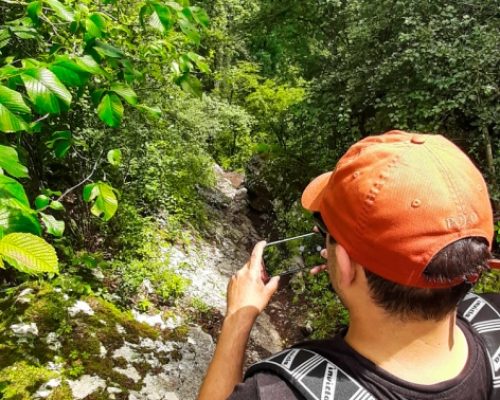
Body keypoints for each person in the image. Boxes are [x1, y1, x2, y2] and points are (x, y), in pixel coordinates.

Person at [198, 130, 500, 400]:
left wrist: (238, 318)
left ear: (343, 263)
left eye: (326, 232)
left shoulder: (275, 392)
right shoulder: (492, 317)